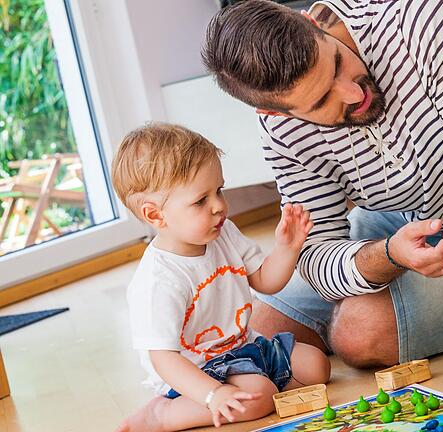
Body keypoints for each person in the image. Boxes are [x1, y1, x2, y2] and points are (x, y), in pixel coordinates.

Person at [201, 0, 443, 367]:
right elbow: (314, 253)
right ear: (276, 112)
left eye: (338, 63)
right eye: (323, 100)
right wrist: (388, 255)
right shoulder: (282, 128)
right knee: (267, 333)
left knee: (359, 332)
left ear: (314, 23)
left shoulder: (427, 24)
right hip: (411, 221)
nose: (354, 94)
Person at [112, 123, 330, 431]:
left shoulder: (223, 233)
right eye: (201, 201)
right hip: (198, 373)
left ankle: (256, 387)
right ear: (155, 215)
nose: (219, 206)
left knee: (317, 366)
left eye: (219, 190)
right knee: (259, 396)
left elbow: (266, 281)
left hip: (246, 348)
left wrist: (288, 248)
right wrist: (212, 394)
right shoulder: (159, 280)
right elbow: (165, 360)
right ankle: (160, 415)